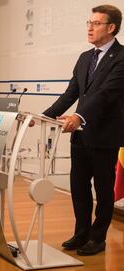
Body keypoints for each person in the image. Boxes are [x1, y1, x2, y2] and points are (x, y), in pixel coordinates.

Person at [43, 5, 124, 256]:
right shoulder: (84, 58)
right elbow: (72, 93)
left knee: (103, 189)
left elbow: (106, 94)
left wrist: (79, 116)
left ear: (111, 28)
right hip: (80, 135)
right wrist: (44, 115)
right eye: (88, 23)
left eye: (96, 23)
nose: (90, 27)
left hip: (104, 135)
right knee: (78, 186)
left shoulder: (122, 58)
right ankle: (81, 233)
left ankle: (97, 238)